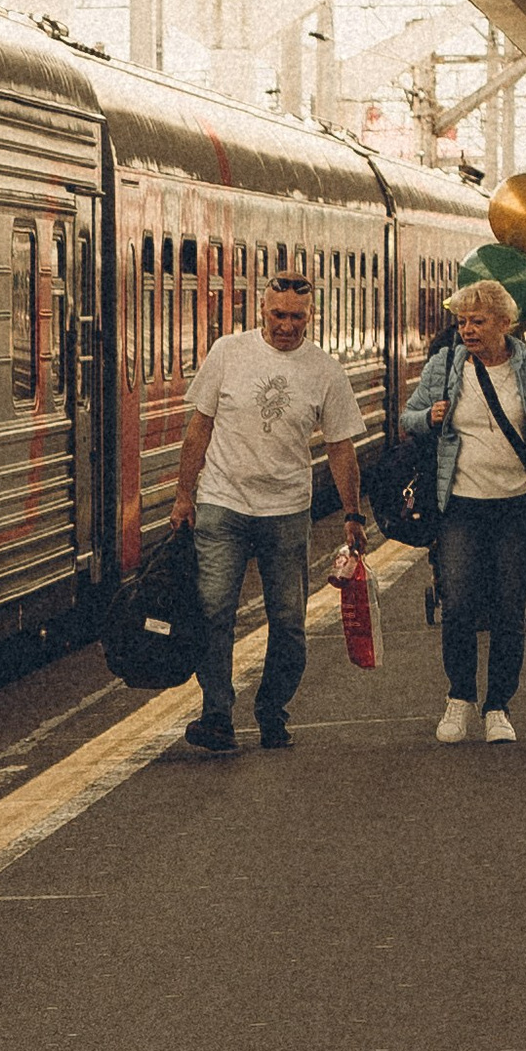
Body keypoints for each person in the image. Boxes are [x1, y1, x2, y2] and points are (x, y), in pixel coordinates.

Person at [167, 265, 366, 755]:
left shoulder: (325, 370)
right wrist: (183, 494)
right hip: (222, 502)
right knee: (214, 612)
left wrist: (353, 514)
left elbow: (340, 447)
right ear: (261, 309)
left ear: (310, 315)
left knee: (289, 622)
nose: (287, 325)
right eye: (278, 315)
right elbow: (200, 428)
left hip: (286, 509)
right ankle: (216, 713)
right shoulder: (228, 353)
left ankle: (271, 709)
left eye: (297, 317)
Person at [402, 278, 526, 742]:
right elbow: (408, 417)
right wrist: (430, 417)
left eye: (478, 321)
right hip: (460, 504)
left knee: (508, 607)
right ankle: (459, 699)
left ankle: (498, 706)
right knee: (457, 603)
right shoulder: (446, 364)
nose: (468, 330)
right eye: (462, 322)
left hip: (519, 506)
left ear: (504, 322)